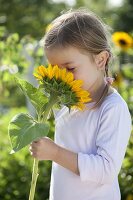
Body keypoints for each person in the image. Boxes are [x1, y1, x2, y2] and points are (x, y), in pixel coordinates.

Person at [29, 9, 132, 200]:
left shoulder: (112, 108)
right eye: (55, 69)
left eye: (70, 68)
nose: (62, 78)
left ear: (101, 59)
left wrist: (55, 153)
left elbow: (106, 170)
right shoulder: (69, 102)